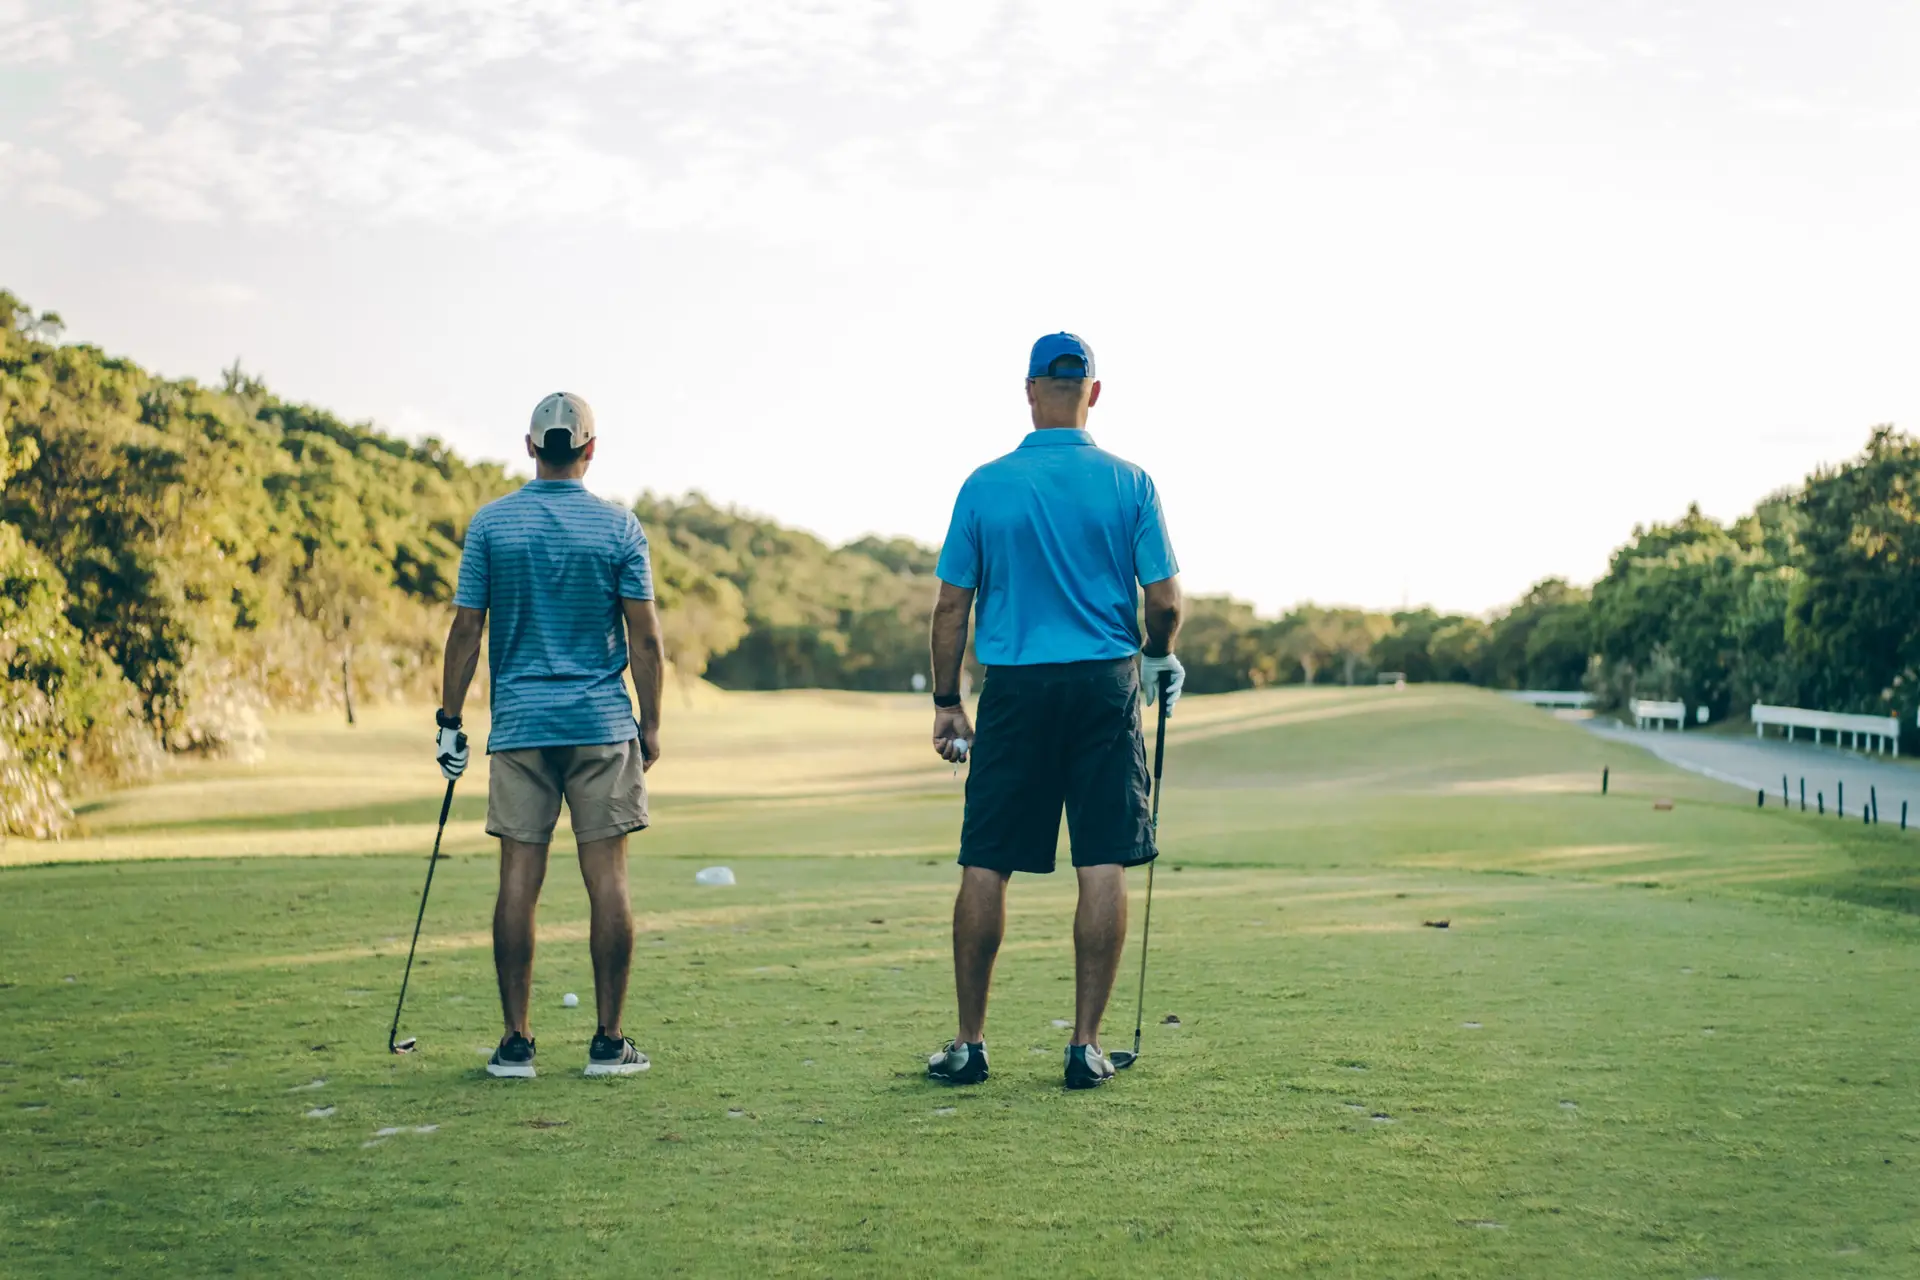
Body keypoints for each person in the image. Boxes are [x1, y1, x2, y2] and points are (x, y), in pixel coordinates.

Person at [925, 333, 1185, 1091]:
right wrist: (1155, 654)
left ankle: (971, 1044)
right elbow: (1164, 601)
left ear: (1031, 390)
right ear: (1093, 394)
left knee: (987, 861)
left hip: (1014, 690)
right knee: (1101, 858)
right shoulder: (1131, 482)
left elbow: (950, 606)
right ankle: (1085, 1047)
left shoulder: (985, 484)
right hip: (1103, 687)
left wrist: (948, 702)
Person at [436, 392, 664, 1080]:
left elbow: (466, 630)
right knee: (610, 882)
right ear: (591, 449)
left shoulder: (491, 525)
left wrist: (449, 720)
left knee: (517, 882)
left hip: (521, 728)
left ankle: (515, 1044)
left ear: (531, 446)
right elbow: (645, 637)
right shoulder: (620, 528)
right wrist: (650, 725)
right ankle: (608, 1042)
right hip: (601, 725)